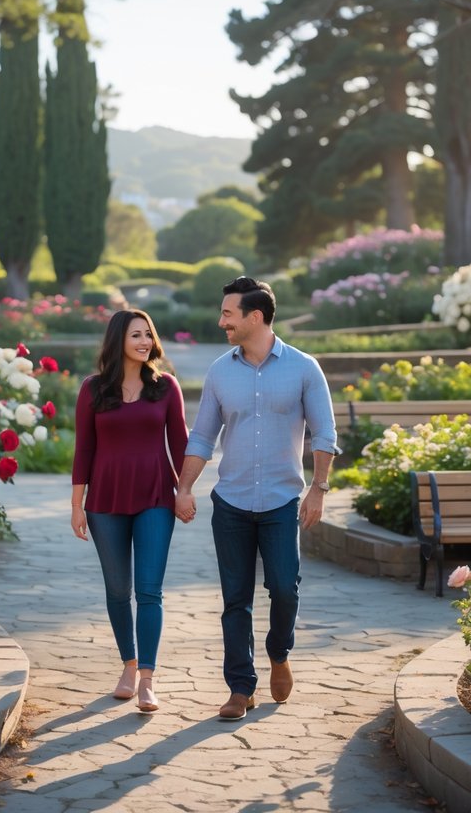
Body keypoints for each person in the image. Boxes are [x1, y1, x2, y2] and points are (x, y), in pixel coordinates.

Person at [175, 276, 338, 721]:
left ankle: (279, 653)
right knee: (235, 599)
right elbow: (203, 436)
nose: (221, 321)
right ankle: (240, 687)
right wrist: (184, 487)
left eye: (228, 313)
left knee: (285, 588)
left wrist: (318, 489)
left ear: (255, 317)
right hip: (231, 503)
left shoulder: (305, 368)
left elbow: (325, 433)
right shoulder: (219, 371)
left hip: (283, 501)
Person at [71, 308, 189, 713]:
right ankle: (128, 663)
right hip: (104, 501)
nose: (144, 342)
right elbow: (84, 448)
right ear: (118, 340)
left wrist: (185, 490)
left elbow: (181, 443)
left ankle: (147, 680)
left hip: (156, 496)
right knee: (118, 591)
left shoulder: (166, 388)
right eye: (136, 335)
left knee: (149, 591)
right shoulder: (93, 390)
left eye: (148, 335)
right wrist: (77, 505)